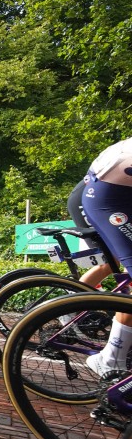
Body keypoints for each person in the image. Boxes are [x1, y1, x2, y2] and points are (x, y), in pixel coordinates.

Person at [80, 138, 132, 376]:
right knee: (112, 261)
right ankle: (111, 359)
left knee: (116, 261)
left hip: (119, 192)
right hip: (107, 198)